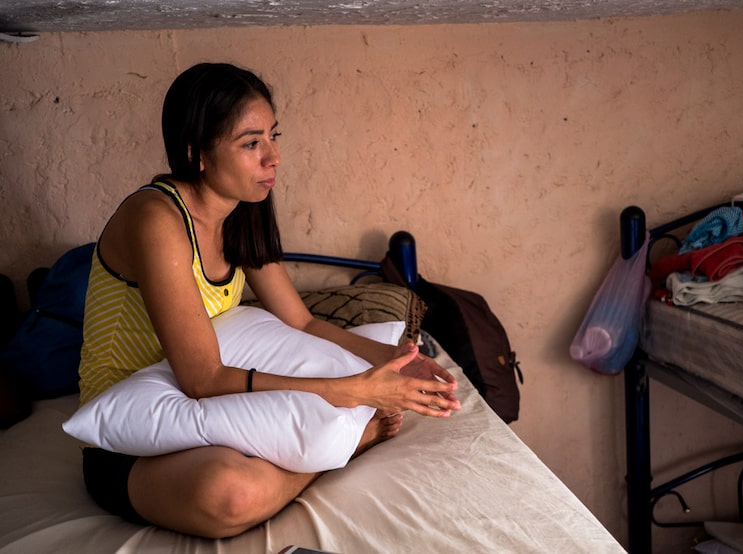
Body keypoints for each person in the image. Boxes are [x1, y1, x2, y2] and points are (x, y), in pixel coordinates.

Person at [78, 62, 461, 539]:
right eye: (251, 143)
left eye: (273, 136)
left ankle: (319, 452)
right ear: (198, 153)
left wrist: (401, 362)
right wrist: (354, 392)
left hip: (212, 411)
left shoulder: (241, 209)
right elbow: (201, 378)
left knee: (270, 458)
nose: (273, 157)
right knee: (231, 494)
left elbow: (302, 323)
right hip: (133, 429)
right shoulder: (156, 219)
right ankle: (347, 446)